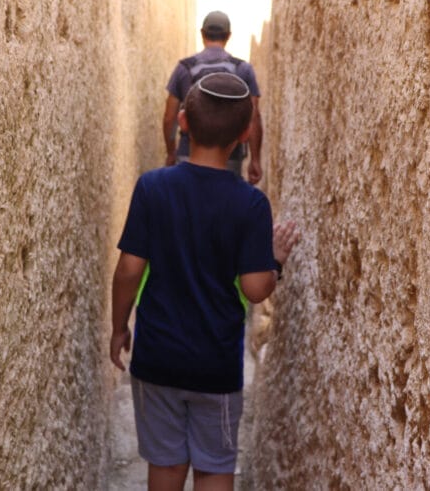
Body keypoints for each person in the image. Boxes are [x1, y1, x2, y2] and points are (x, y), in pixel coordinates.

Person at [111, 72, 300, 491]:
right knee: (214, 467)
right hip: (215, 364)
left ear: (183, 123)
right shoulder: (250, 204)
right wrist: (276, 260)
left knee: (164, 464)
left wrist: (118, 327)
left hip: (157, 356)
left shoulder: (152, 188)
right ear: (245, 133)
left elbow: (128, 270)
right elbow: (255, 289)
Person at [163, 10, 264, 184]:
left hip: (188, 155)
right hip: (229, 159)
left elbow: (169, 118)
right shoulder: (243, 70)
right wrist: (255, 160)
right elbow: (254, 117)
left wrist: (171, 152)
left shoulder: (184, 68)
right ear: (228, 36)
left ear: (202, 33)